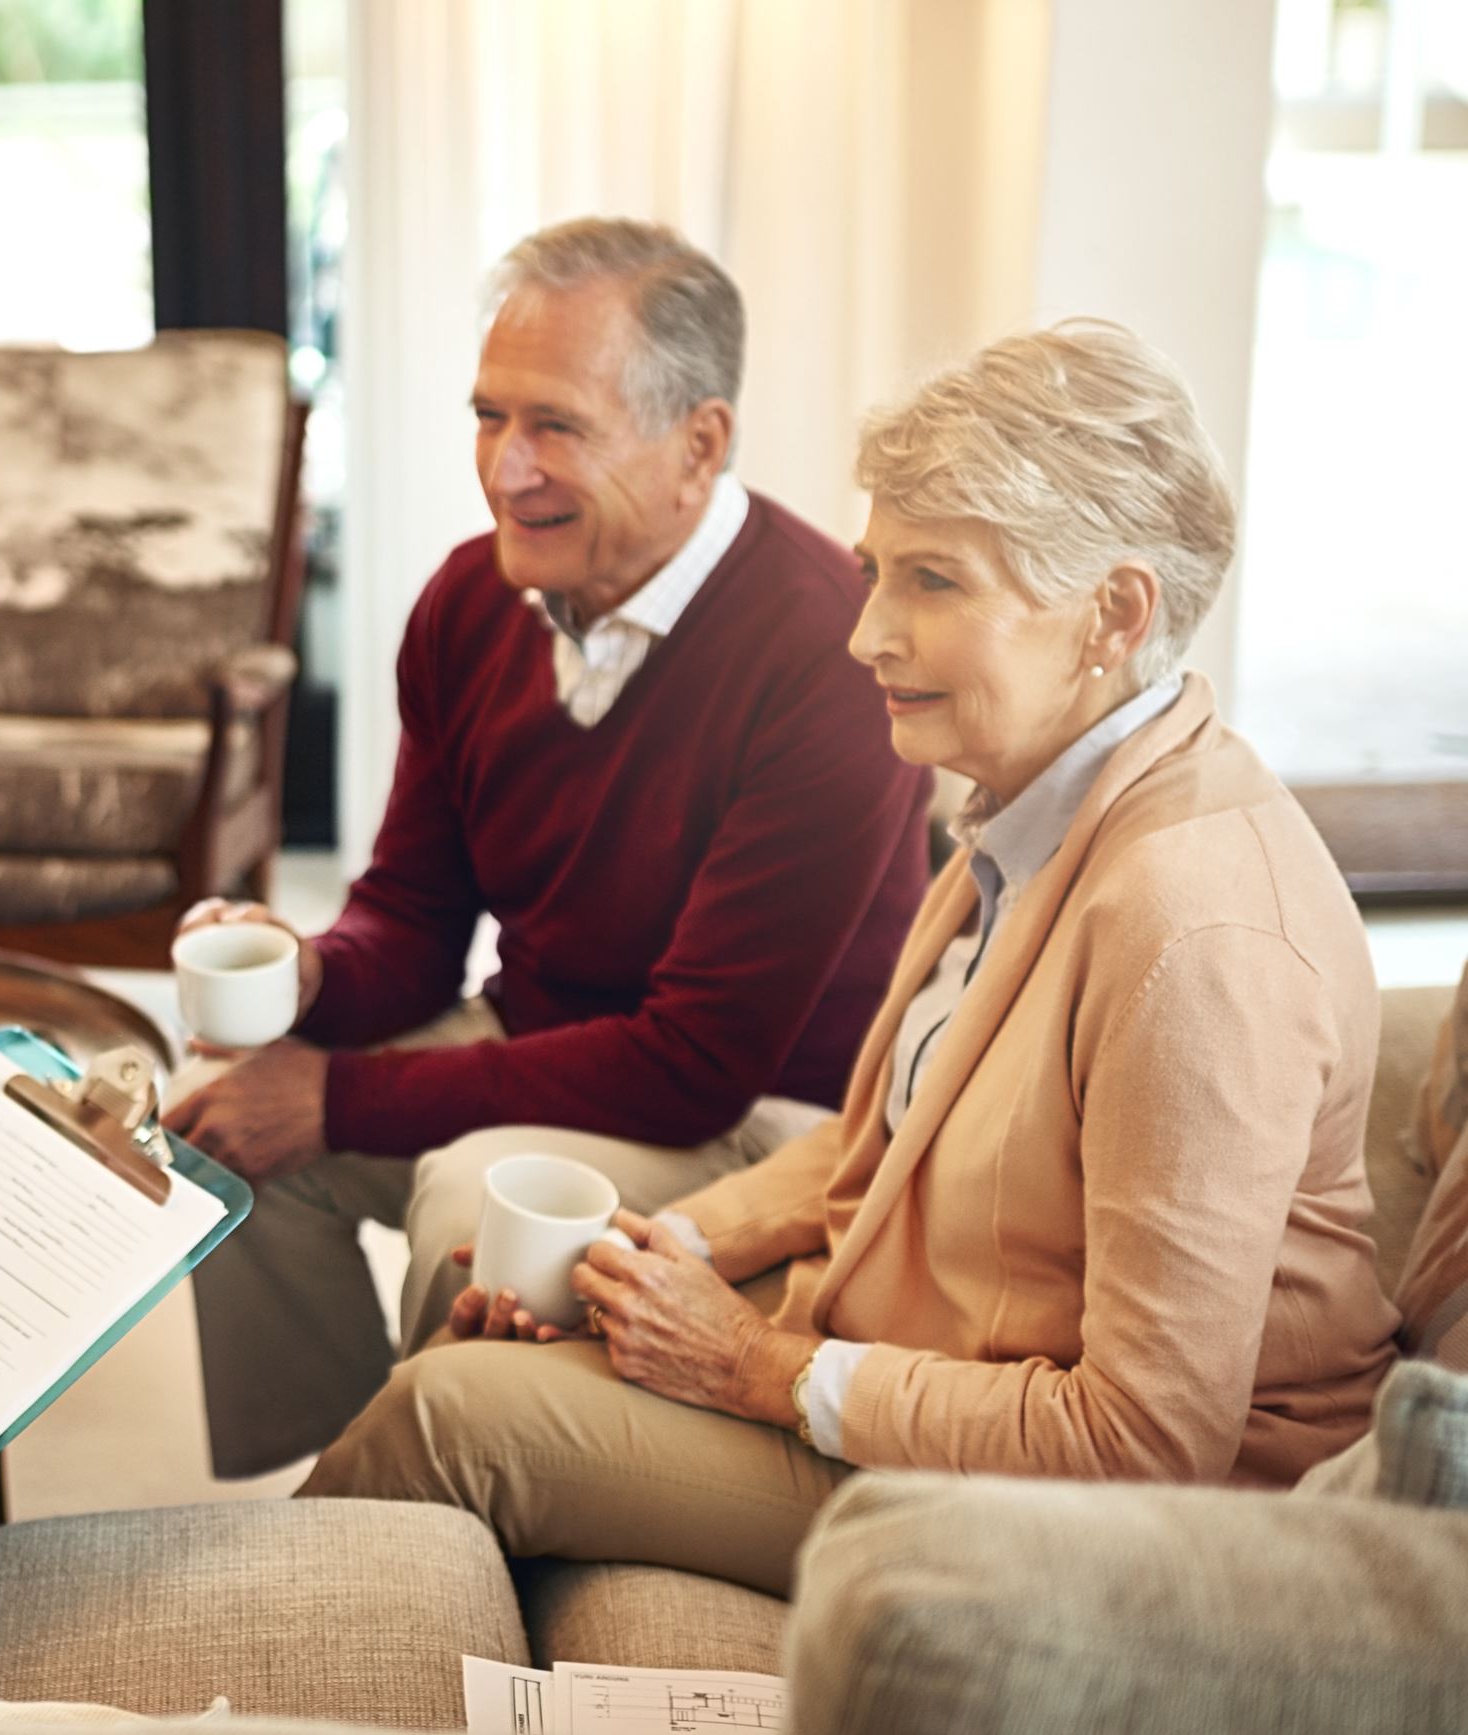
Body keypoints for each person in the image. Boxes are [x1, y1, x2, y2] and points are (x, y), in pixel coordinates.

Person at [299, 320, 1404, 1593]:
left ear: (1113, 611)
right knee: (483, 1339)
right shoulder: (1029, 805)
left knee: (453, 1415)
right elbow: (881, 1135)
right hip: (927, 1368)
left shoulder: (1197, 938)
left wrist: (758, 1368)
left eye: (930, 582)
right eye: (876, 569)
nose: (863, 631)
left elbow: (1146, 1440)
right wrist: (650, 1257)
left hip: (1133, 1535)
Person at [163, 217, 932, 1476]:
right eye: (487, 417)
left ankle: (421, 1495)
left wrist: (337, 1093)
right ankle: (346, 1481)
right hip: (551, 1038)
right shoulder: (472, 600)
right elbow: (409, 915)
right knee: (218, 1140)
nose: (505, 469)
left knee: (476, 1197)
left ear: (700, 443)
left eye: (555, 426)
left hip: (766, 1113)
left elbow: (692, 1065)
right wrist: (304, 972)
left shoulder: (825, 649)